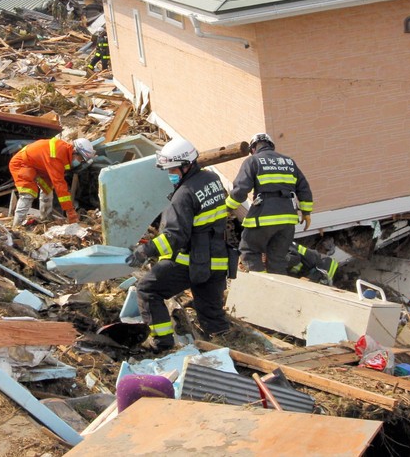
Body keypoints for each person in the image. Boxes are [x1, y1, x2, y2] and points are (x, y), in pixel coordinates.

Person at [127, 137, 232, 351]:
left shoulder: (184, 195)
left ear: (187, 165)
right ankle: (228, 346)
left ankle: (162, 341)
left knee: (148, 290)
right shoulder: (212, 179)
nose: (170, 175)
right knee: (212, 315)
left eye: (173, 170)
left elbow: (175, 237)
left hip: (192, 261)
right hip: (219, 258)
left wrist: (145, 251)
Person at [225, 132, 313, 274]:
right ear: (271, 146)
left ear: (253, 148)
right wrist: (306, 213)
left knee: (249, 250)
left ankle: (262, 287)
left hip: (264, 217)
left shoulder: (253, 161)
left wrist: (228, 207)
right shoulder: (289, 162)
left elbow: (241, 190)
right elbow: (304, 189)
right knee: (277, 259)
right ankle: (277, 290)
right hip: (288, 220)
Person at [8, 136, 97, 227]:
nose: (80, 161)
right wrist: (70, 211)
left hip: (38, 167)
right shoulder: (57, 156)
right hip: (22, 164)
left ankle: (46, 218)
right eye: (80, 159)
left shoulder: (65, 152)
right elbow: (59, 184)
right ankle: (17, 225)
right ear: (75, 152)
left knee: (47, 190)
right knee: (28, 193)